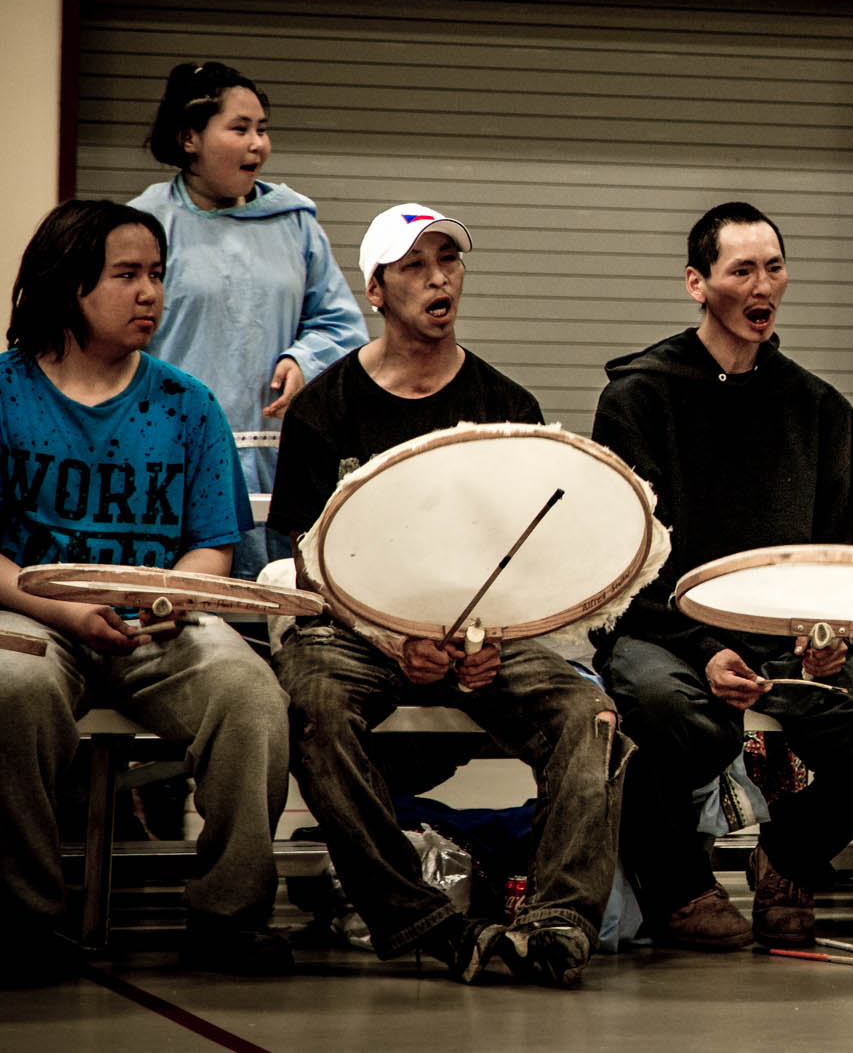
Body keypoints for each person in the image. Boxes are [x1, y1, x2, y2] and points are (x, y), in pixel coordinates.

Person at [268, 204, 624, 988]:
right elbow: (295, 554)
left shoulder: (509, 407)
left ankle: (558, 923)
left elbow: (530, 552)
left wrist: (497, 633)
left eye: (449, 260)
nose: (439, 278)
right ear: (376, 290)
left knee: (588, 713)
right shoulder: (327, 407)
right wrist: (390, 635)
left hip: (487, 635)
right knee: (314, 705)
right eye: (415, 265)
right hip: (355, 632)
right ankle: (422, 921)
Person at [593, 202, 853, 952]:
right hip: (664, 630)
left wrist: (829, 638)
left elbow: (852, 558)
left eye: (773, 267)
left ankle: (792, 857)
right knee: (673, 712)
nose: (761, 285)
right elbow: (626, 565)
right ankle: (678, 882)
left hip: (787, 639)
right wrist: (704, 648)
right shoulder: (638, 399)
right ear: (697, 284)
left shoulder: (823, 411)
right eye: (741, 269)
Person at [0, 200, 290, 981]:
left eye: (157, 274)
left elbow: (211, 545)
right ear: (68, 285)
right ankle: (25, 916)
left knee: (248, 693)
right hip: (35, 613)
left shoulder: (186, 402)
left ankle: (228, 917)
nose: (150, 293)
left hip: (161, 621)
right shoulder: (5, 391)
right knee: (10, 689)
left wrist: (169, 602)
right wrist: (64, 609)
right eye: (126, 275)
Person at [130, 62, 367, 578]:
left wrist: (304, 359)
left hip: (277, 464)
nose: (258, 144)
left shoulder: (296, 222)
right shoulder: (143, 226)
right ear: (188, 138)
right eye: (239, 129)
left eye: (262, 129)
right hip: (169, 462)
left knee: (275, 610)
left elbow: (341, 326)